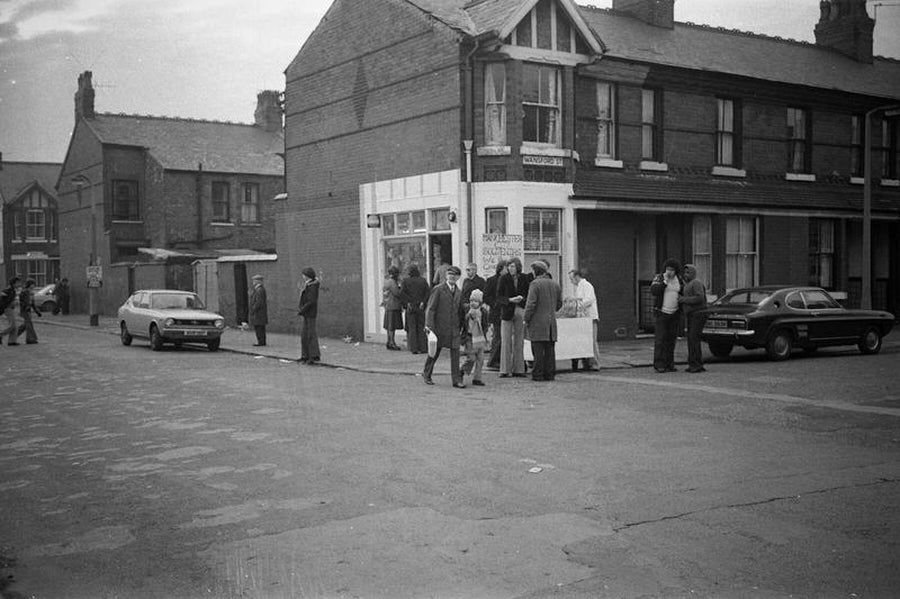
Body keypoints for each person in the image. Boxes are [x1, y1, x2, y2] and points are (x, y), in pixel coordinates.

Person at [422, 265, 466, 388]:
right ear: (446, 276)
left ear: (458, 277)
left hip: (454, 328)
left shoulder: (459, 292)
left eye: (455, 275)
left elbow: (460, 311)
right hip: (439, 327)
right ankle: (427, 373)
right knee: (434, 352)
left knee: (456, 354)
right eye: (450, 274)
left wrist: (463, 327)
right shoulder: (438, 289)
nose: (452, 276)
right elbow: (430, 309)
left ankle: (456, 380)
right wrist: (429, 327)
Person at [524, 260, 563, 381]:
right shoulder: (555, 284)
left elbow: (531, 304)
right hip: (551, 323)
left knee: (538, 350)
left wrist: (526, 318)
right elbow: (559, 303)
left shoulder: (535, 284)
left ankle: (538, 374)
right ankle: (550, 374)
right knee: (550, 350)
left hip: (537, 322)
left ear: (535, 272)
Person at [496, 257, 532, 378]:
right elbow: (499, 296)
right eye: (509, 266)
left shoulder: (524, 278)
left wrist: (522, 299)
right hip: (507, 310)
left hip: (520, 309)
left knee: (519, 340)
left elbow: (528, 294)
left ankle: (519, 369)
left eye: (512, 266)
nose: (510, 269)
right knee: (506, 340)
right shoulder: (503, 278)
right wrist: (510, 300)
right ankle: (505, 370)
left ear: (518, 267)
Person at [650, 258, 684, 373]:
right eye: (668, 269)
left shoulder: (679, 279)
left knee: (671, 340)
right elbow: (654, 290)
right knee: (660, 339)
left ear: (676, 271)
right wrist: (665, 282)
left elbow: (682, 291)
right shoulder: (659, 278)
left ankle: (670, 363)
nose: (669, 272)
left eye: (672, 269)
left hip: (674, 313)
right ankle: (659, 363)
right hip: (662, 313)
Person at [568, 269, 600, 371]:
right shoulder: (579, 287)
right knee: (585, 341)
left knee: (592, 341)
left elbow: (589, 299)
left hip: (590, 317)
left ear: (577, 277)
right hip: (583, 318)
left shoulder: (586, 285)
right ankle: (588, 363)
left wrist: (577, 305)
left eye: (571, 279)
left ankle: (595, 364)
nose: (571, 281)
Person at [679, 264, 708, 373]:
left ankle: (696, 364)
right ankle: (695, 363)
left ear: (693, 273)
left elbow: (699, 298)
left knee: (693, 338)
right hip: (691, 314)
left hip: (698, 314)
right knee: (692, 339)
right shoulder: (688, 284)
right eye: (685, 272)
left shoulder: (696, 283)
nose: (686, 275)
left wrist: (683, 300)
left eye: (688, 272)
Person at [461, 289, 490, 387]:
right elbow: (463, 321)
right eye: (471, 301)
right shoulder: (467, 310)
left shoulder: (483, 312)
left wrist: (485, 336)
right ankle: (462, 370)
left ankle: (477, 378)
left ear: (480, 303)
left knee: (480, 359)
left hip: (480, 337)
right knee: (471, 358)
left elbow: (485, 324)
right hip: (470, 337)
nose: (473, 303)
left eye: (476, 301)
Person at [482, 260, 507, 370]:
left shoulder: (507, 280)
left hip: (505, 311)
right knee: (498, 336)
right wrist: (495, 304)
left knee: (502, 337)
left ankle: (499, 359)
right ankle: (493, 360)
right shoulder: (492, 280)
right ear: (501, 269)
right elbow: (486, 296)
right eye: (507, 268)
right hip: (496, 312)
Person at [400, 263, 429, 354]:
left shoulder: (405, 281)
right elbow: (428, 292)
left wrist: (408, 302)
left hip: (411, 306)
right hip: (421, 306)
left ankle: (414, 348)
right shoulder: (423, 281)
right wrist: (423, 302)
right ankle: (423, 347)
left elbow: (402, 293)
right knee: (421, 327)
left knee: (412, 327)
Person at [298, 267, 321, 364]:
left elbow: (311, 301)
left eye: (304, 275)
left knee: (310, 335)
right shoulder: (308, 285)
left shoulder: (312, 286)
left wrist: (302, 309)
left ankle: (313, 355)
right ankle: (305, 355)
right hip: (306, 313)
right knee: (304, 335)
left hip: (310, 313)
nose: (302, 276)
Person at [382, 265, 404, 350]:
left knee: (389, 325)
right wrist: (401, 286)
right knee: (392, 326)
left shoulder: (387, 281)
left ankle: (389, 341)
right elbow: (397, 293)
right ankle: (392, 342)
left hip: (388, 305)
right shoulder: (392, 282)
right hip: (393, 305)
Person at [17, 279, 42, 344]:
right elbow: (22, 302)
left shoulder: (31, 292)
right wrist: (25, 306)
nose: (34, 285)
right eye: (33, 284)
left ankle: (14, 335)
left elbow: (32, 303)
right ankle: (30, 339)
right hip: (25, 310)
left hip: (28, 310)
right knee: (29, 324)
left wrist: (37, 312)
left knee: (25, 325)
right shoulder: (24, 292)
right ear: (29, 284)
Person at [0, 277, 22, 346]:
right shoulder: (8, 290)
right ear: (14, 283)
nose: (19, 284)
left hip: (11, 309)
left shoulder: (13, 290)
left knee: (15, 327)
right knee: (12, 325)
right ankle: (1, 334)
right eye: (18, 282)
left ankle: (11, 341)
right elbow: (2, 295)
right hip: (7, 309)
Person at [248, 274, 268, 346]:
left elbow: (259, 302)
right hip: (259, 313)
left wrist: (253, 309)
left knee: (259, 328)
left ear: (258, 281)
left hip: (259, 313)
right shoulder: (257, 289)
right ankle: (261, 341)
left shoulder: (260, 290)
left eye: (254, 280)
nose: (253, 282)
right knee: (259, 327)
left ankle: (261, 342)